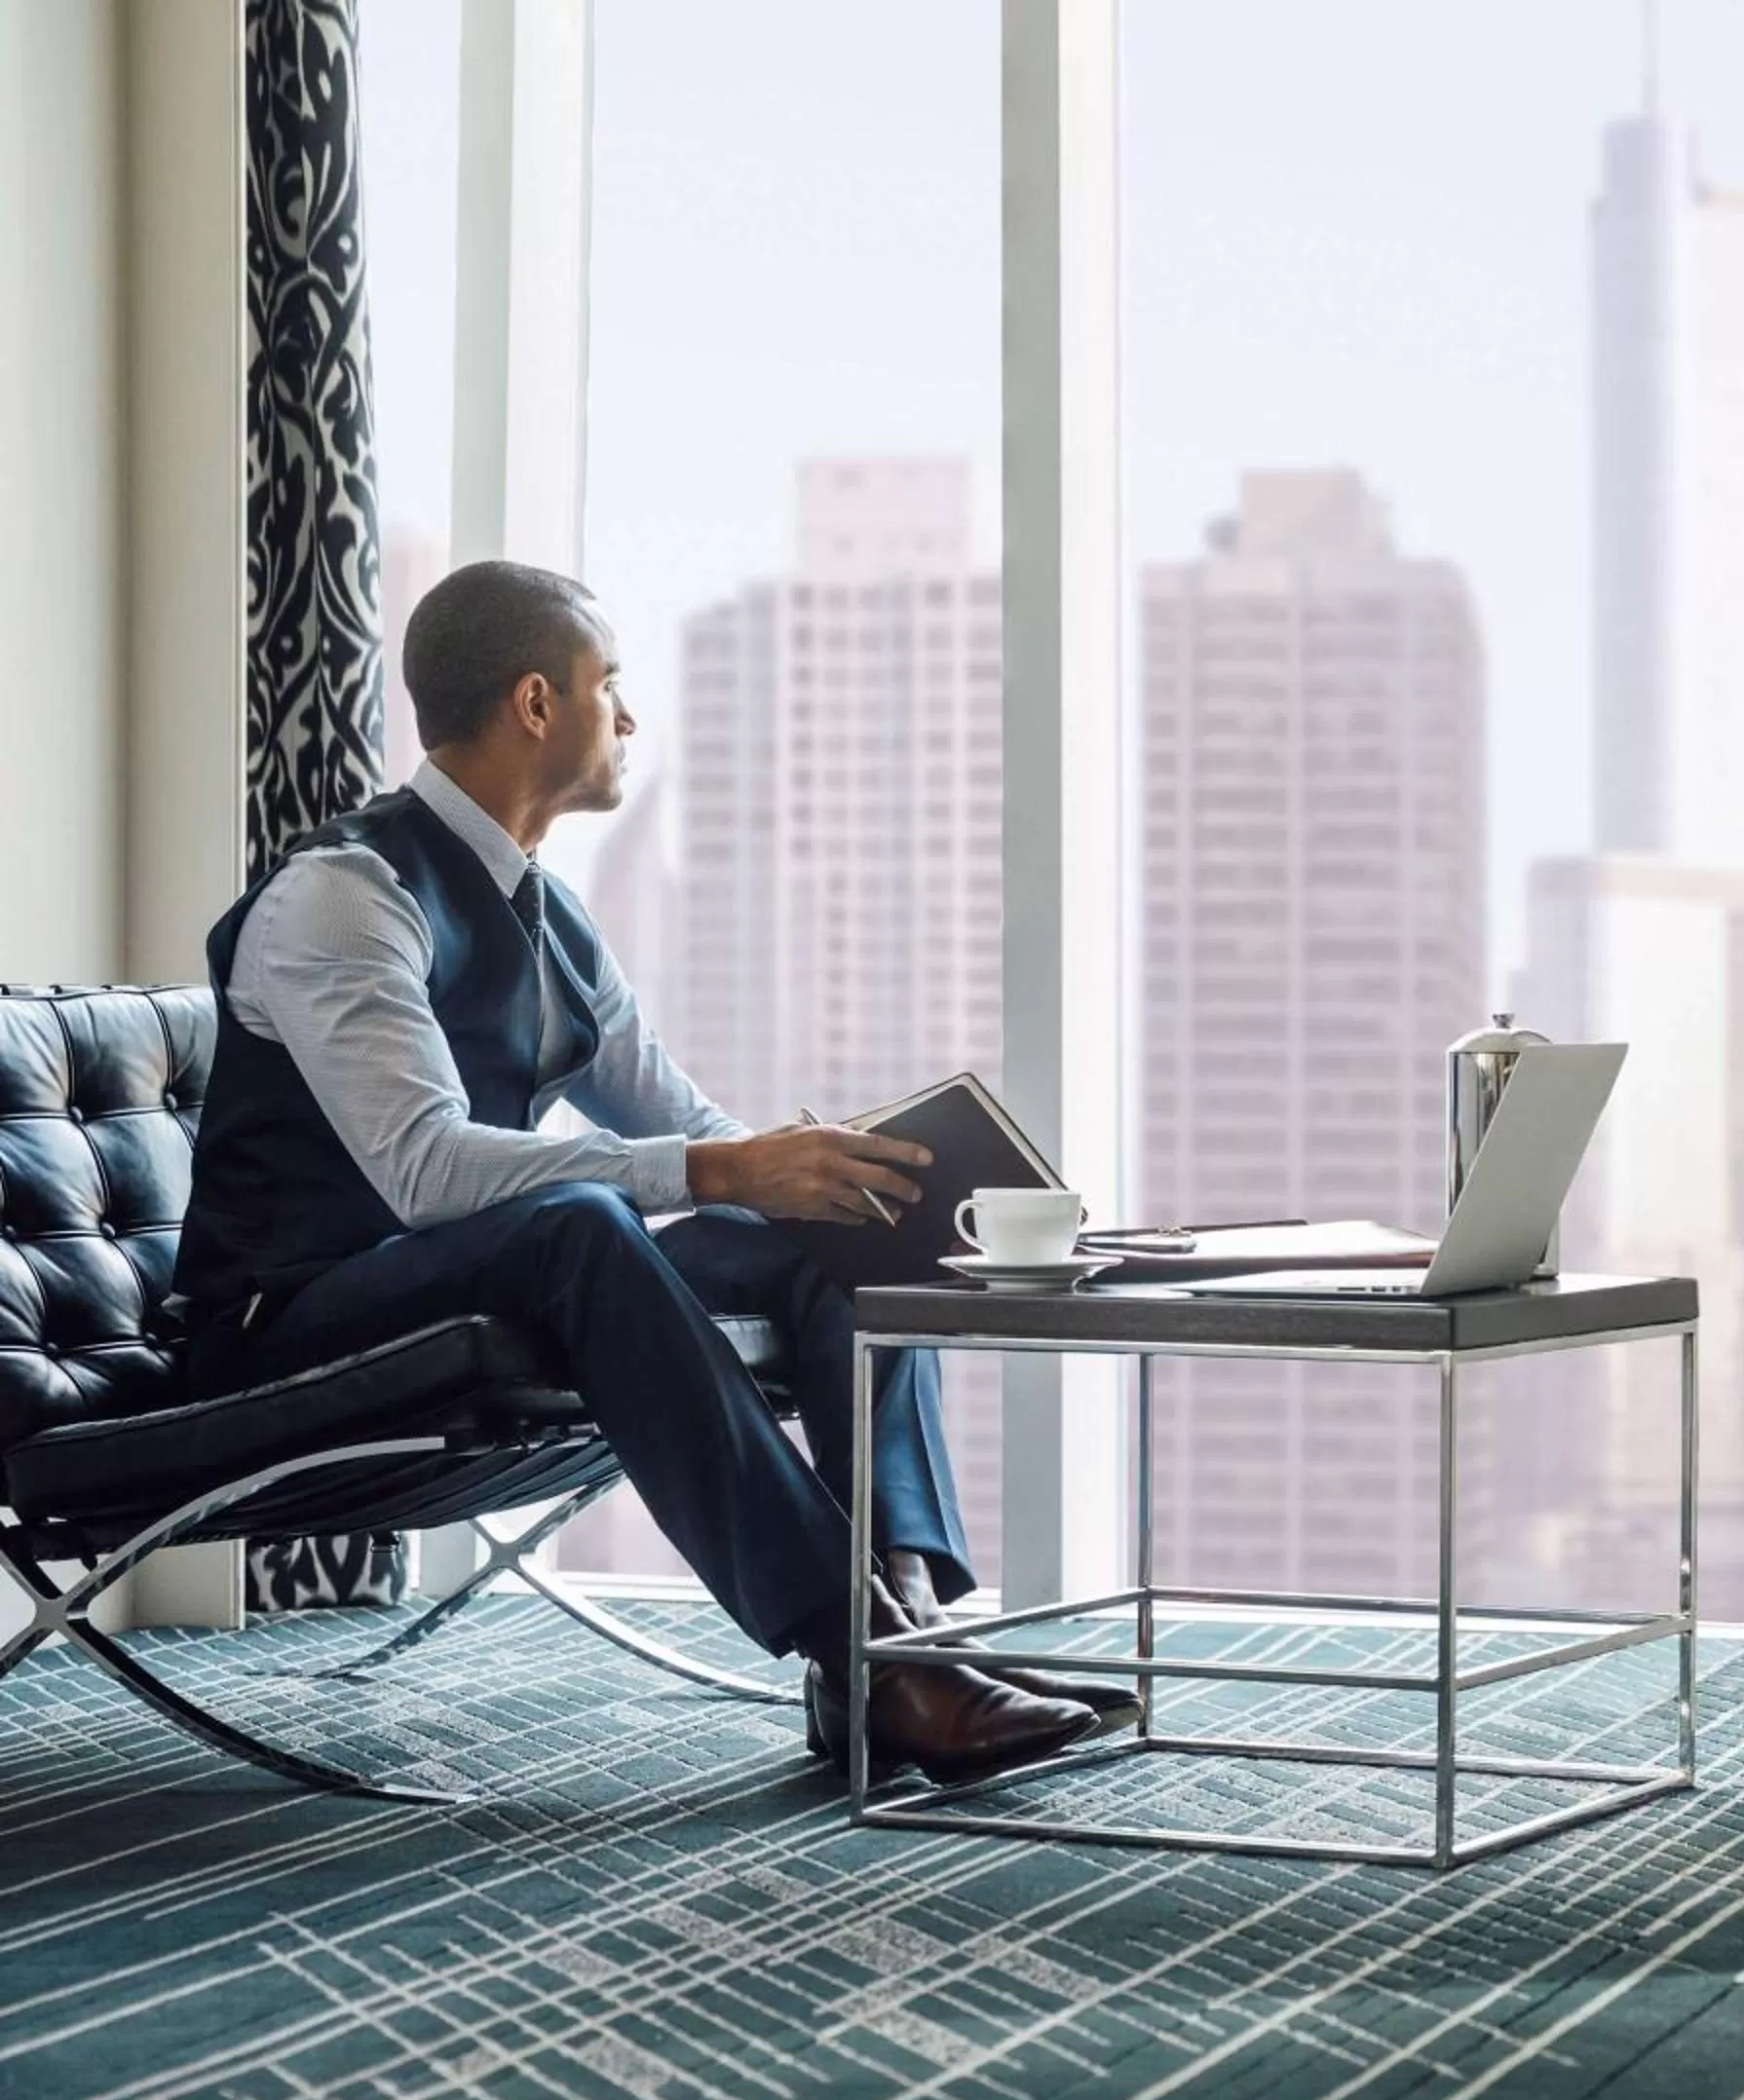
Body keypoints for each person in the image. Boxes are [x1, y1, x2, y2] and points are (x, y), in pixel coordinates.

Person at [173, 558, 1133, 1781]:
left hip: (462, 1276)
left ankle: (906, 1639)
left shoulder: (551, 917)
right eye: (607, 683)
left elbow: (685, 1129)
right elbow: (424, 1171)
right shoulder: (346, 896)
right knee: (582, 1221)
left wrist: (804, 1174)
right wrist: (724, 1168)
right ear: (535, 704)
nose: (627, 716)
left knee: (822, 1224)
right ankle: (872, 1654)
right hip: (288, 1315)